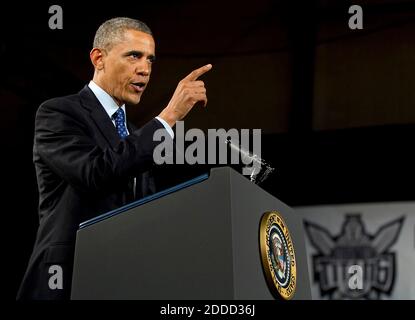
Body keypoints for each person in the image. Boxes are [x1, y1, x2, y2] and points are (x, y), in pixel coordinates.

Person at [17, 17, 212, 300]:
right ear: (99, 58)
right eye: (134, 55)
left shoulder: (134, 134)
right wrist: (169, 117)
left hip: (122, 279)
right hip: (67, 279)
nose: (145, 69)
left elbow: (145, 210)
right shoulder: (58, 113)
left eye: (150, 60)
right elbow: (95, 173)